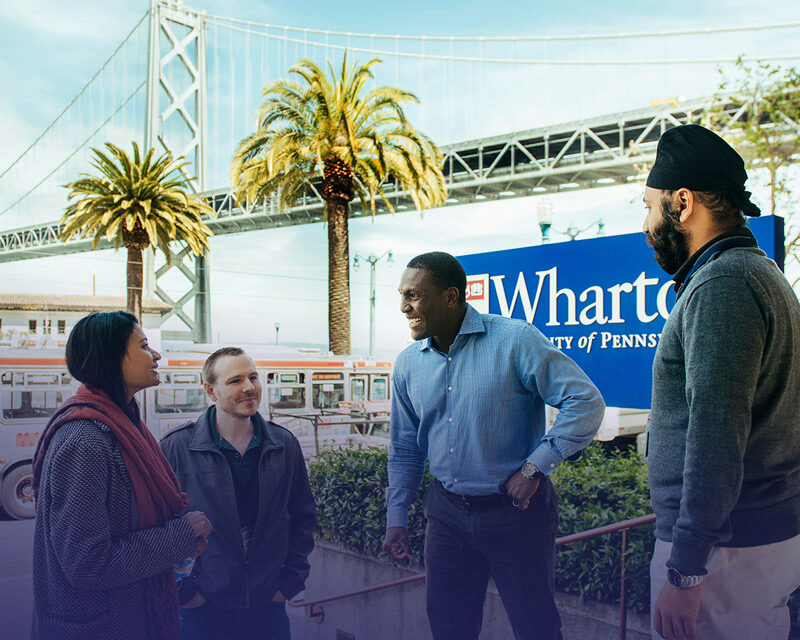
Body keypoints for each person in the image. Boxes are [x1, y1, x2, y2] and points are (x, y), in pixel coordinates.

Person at [383, 251, 606, 640]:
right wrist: (396, 515)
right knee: (449, 628)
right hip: (446, 517)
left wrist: (534, 468)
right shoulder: (407, 364)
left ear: (451, 297)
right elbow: (404, 447)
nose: (404, 307)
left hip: (515, 516)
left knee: (535, 627)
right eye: (403, 295)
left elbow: (585, 402)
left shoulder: (516, 340)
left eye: (414, 296)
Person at [643, 124, 800, 640]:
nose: (646, 224)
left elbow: (715, 433)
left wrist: (687, 568)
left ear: (682, 202)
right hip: (751, 543)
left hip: (723, 556)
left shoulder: (723, 285)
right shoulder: (760, 272)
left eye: (649, 206)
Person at [31, 311, 212, 640]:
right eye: (144, 346)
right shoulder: (86, 442)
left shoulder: (124, 424)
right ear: (111, 358)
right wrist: (177, 536)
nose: (156, 355)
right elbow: (87, 562)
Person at [160, 347, 316, 640]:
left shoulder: (284, 444)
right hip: (200, 612)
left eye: (254, 378)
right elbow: (157, 525)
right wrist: (186, 592)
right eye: (235, 381)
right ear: (211, 390)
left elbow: (302, 516)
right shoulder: (176, 448)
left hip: (268, 610)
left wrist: (289, 583)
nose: (249, 388)